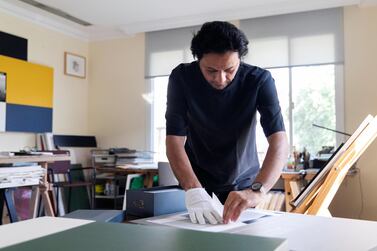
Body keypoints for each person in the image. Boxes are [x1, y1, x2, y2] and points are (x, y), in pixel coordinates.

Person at [165, 21, 288, 225]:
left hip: (243, 185)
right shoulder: (182, 78)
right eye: (211, 71)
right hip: (197, 184)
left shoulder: (259, 80)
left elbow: (279, 142)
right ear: (198, 60)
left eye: (229, 69)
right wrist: (194, 190)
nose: (221, 79)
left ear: (240, 59)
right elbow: (174, 141)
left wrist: (257, 191)